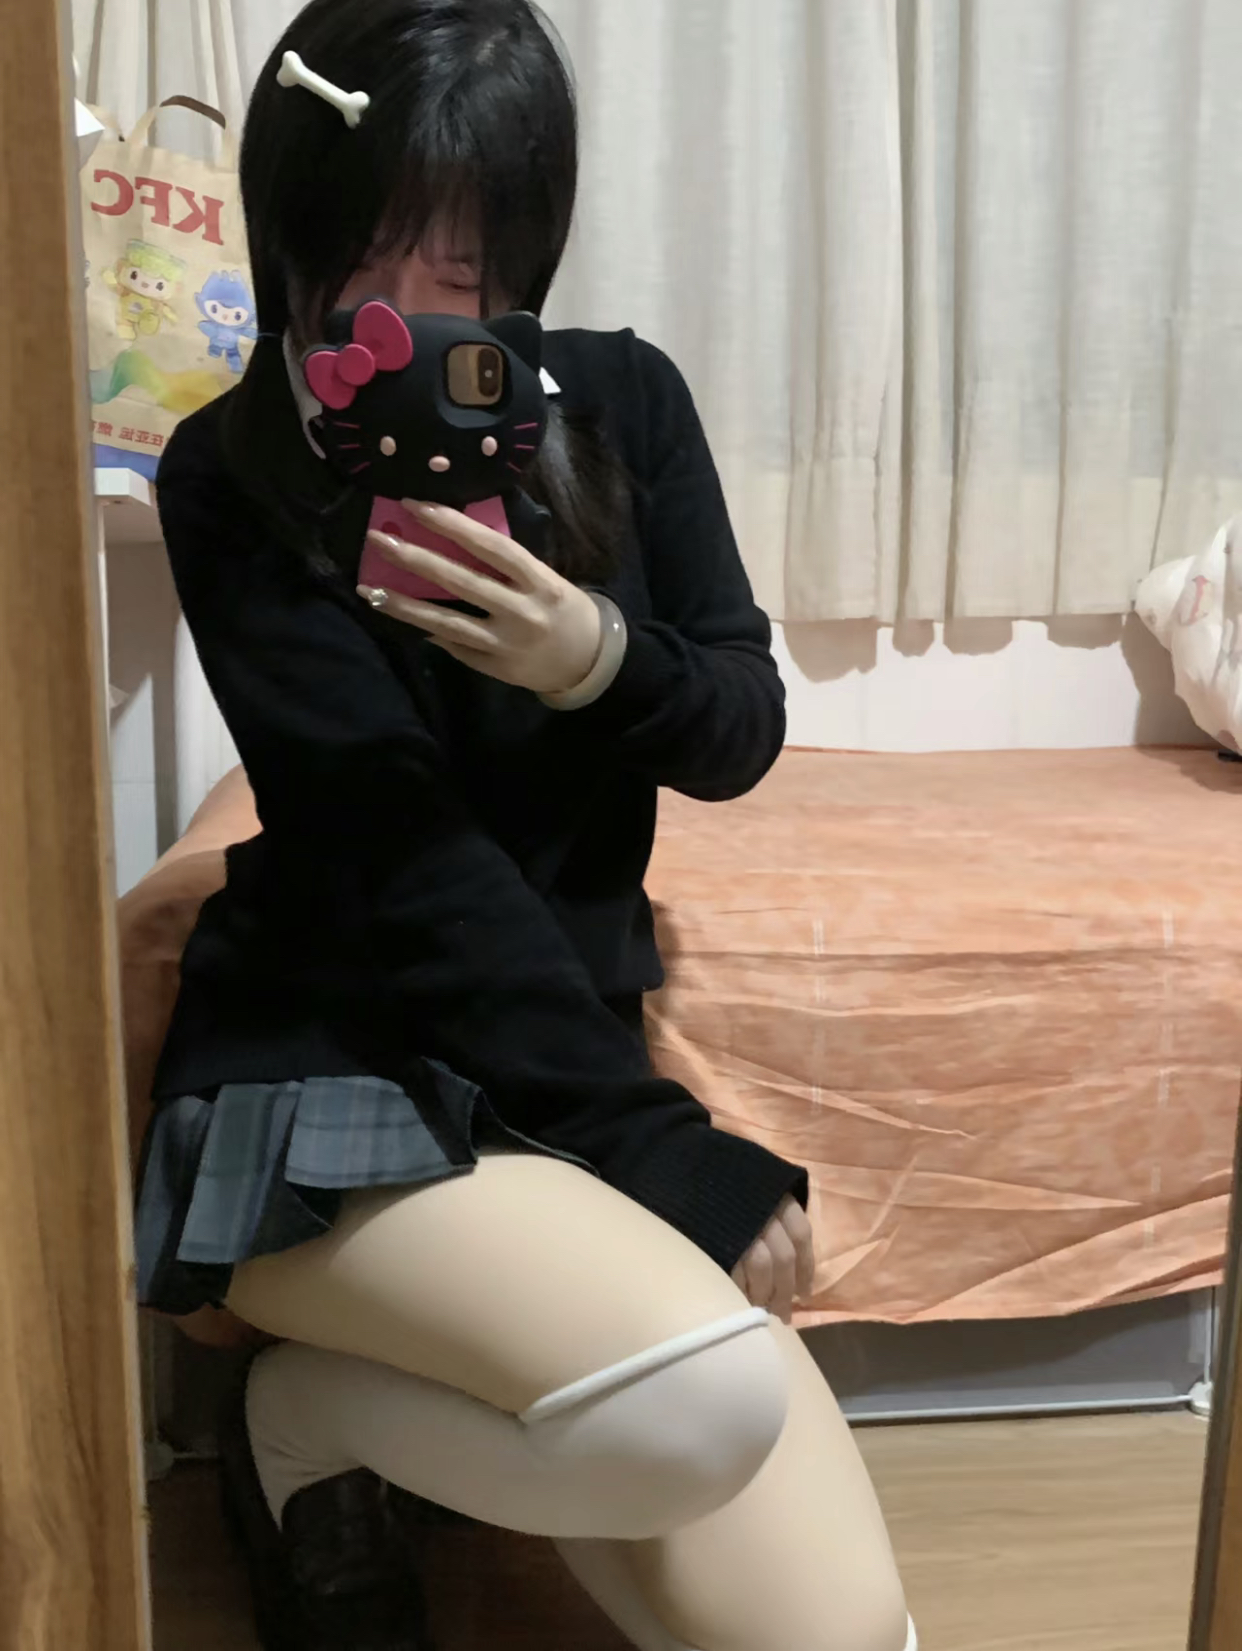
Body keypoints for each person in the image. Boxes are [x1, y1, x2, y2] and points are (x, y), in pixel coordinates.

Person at [131, 3, 916, 1648]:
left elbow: (737, 731)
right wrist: (655, 1144)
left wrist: (593, 659)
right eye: (368, 251)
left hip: (554, 1067)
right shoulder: (233, 469)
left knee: (833, 1633)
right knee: (696, 1403)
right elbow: (391, 854)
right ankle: (302, 1430)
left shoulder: (622, 402)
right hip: (328, 1064)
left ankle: (367, 1408)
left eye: (470, 263)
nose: (414, 306)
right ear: (291, 229)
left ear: (530, 247)